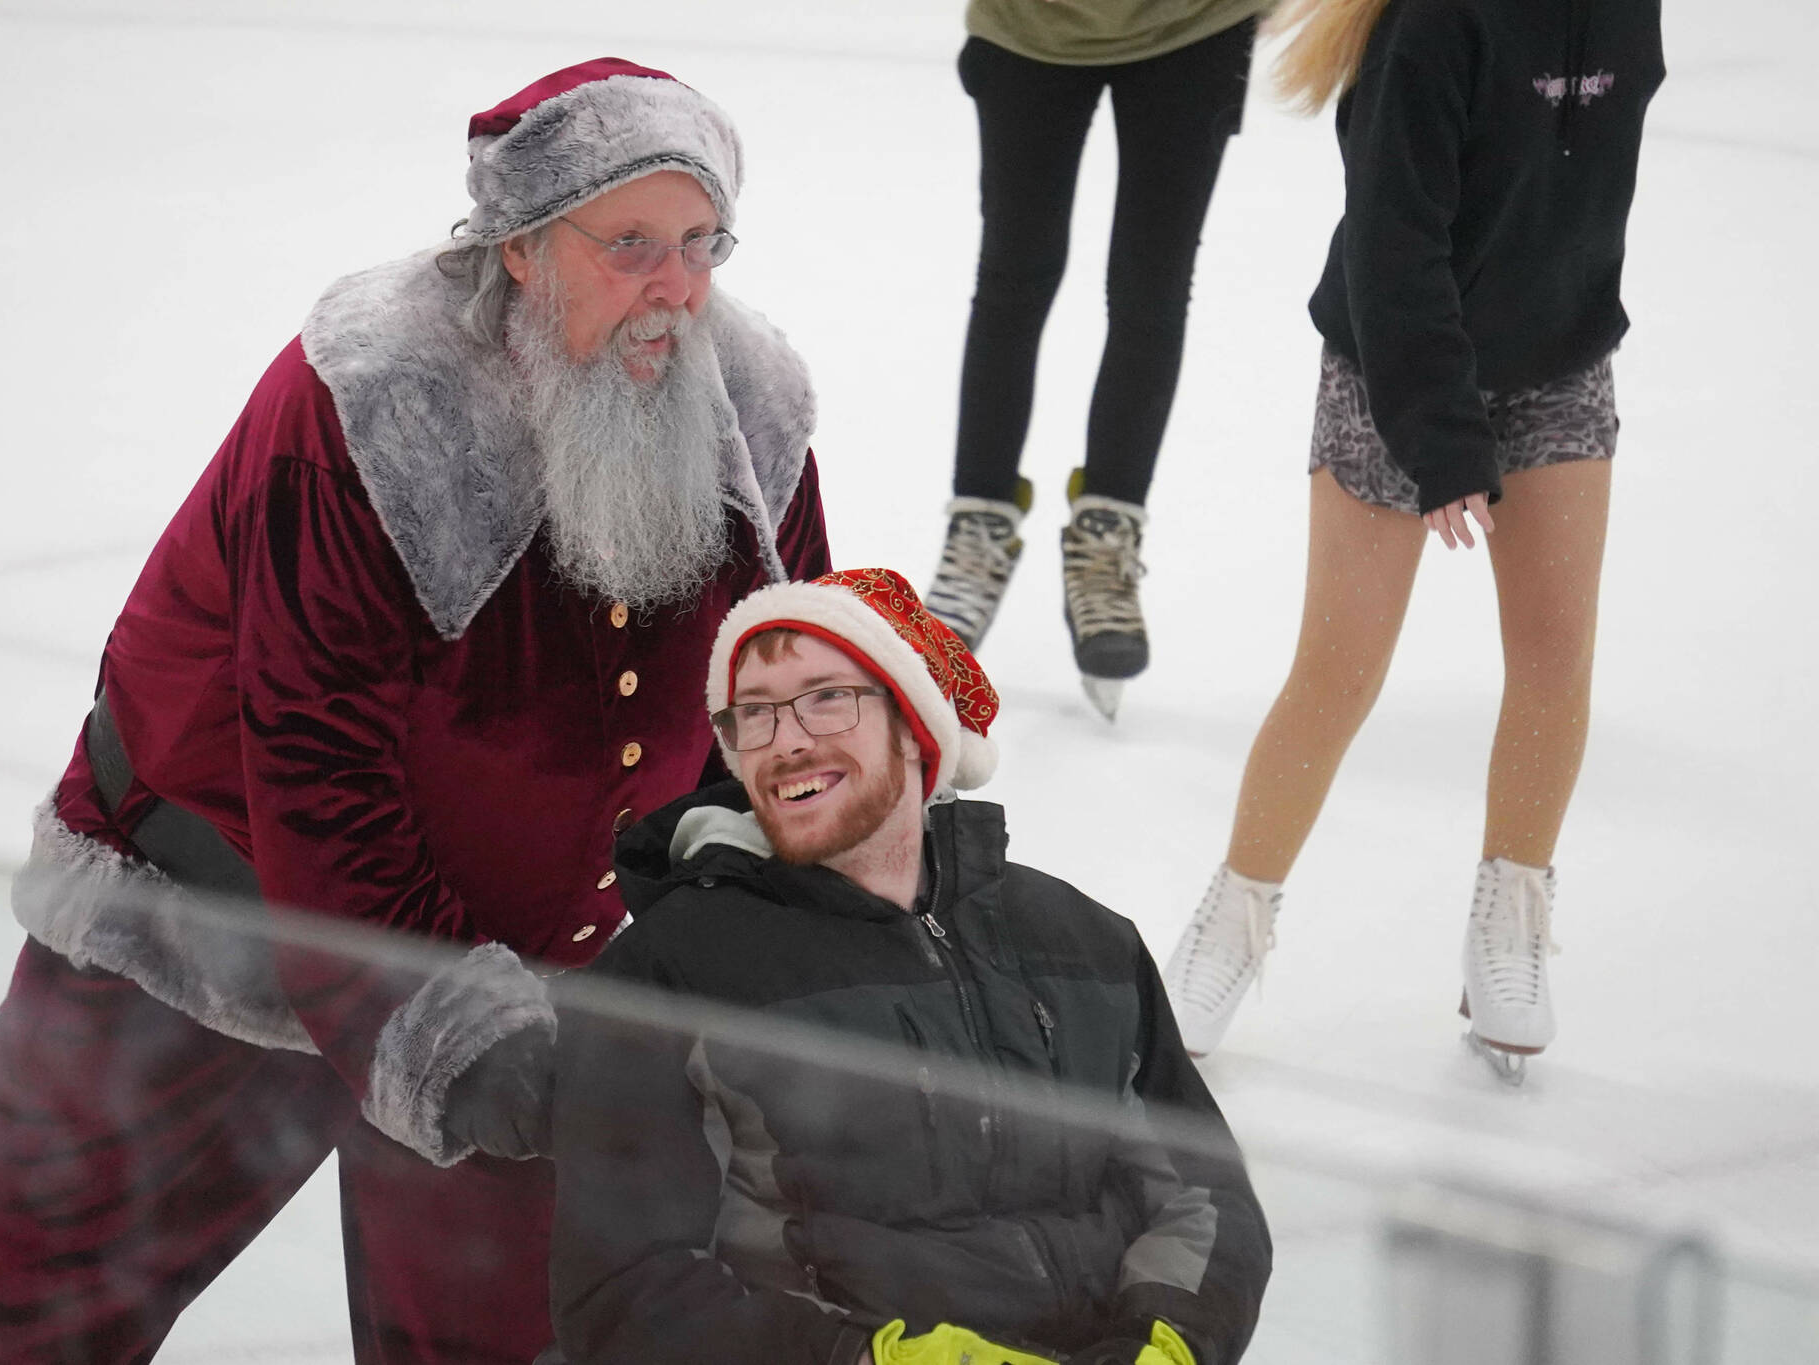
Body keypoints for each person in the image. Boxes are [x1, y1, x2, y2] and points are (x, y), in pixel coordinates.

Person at [0, 57, 830, 1363]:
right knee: (13, 1323)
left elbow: (784, 704)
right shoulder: (370, 404)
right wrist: (458, 1033)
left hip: (534, 989)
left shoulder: (751, 407)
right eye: (628, 245)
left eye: (699, 242)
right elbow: (315, 766)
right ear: (520, 246)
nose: (674, 284)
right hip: (202, 935)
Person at [549, 569, 1270, 1365]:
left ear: (914, 728)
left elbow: (1207, 1199)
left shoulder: (1085, 944)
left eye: (827, 696)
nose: (786, 739)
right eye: (753, 713)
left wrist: (1164, 1347)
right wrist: (878, 1359)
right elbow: (625, 1295)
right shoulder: (673, 972)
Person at [1160, 0, 1663, 1078]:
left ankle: (1508, 917)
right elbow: (1393, 243)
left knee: (1553, 662)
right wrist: (1442, 439)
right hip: (1393, 362)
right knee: (1338, 670)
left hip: (1558, 364)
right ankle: (1234, 916)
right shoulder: (1431, 27)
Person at [922, 0, 1269, 718]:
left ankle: (1109, 527)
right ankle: (979, 521)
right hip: (1030, 25)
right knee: (1013, 281)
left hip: (1195, 25)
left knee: (1152, 291)